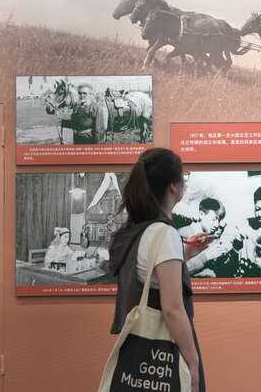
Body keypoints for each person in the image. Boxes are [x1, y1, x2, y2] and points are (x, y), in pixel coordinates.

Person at [108, 148, 209, 392]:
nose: (185, 183)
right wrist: (193, 362)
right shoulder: (164, 234)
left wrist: (184, 255)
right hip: (164, 354)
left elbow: (149, 274)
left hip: (138, 352)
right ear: (173, 186)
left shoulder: (137, 230)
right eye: (183, 177)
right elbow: (173, 309)